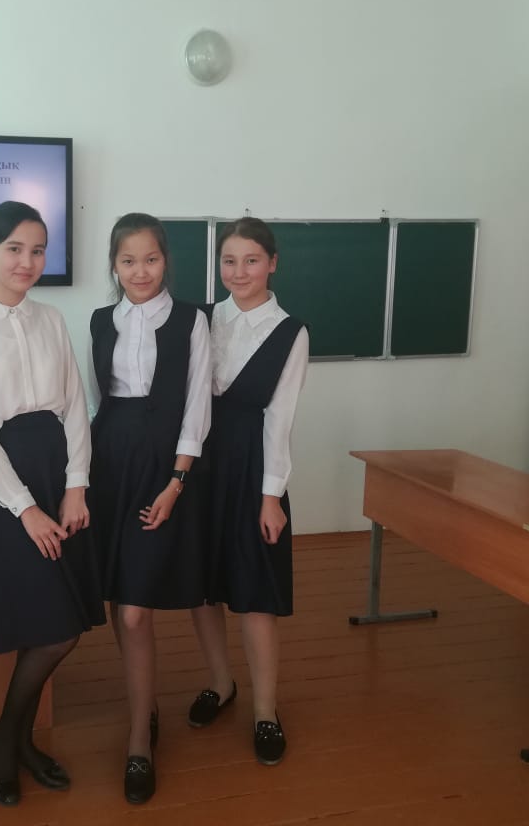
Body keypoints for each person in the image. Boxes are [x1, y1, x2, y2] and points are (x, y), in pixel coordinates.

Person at [0, 200, 105, 806]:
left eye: (38, 250)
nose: (27, 261)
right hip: (5, 488)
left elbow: (75, 405)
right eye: (14, 249)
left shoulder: (52, 318)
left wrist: (76, 484)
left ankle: (13, 737)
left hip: (58, 475)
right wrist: (26, 507)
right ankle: (6, 738)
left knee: (63, 623)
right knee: (53, 626)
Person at [88, 213, 211, 803]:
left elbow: (197, 407)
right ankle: (147, 706)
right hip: (110, 465)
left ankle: (139, 739)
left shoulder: (192, 319)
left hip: (163, 468)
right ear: (114, 265)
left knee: (137, 611)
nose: (140, 271)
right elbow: (96, 400)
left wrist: (175, 482)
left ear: (166, 260)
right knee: (120, 595)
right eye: (128, 260)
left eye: (151, 259)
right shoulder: (99, 320)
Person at [186, 216, 309, 767]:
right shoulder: (202, 319)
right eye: (229, 261)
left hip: (252, 467)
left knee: (256, 592)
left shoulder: (290, 331)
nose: (239, 272)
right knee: (203, 587)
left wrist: (271, 497)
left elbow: (280, 418)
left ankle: (265, 710)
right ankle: (221, 682)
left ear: (272, 263)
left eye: (251, 260)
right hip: (200, 464)